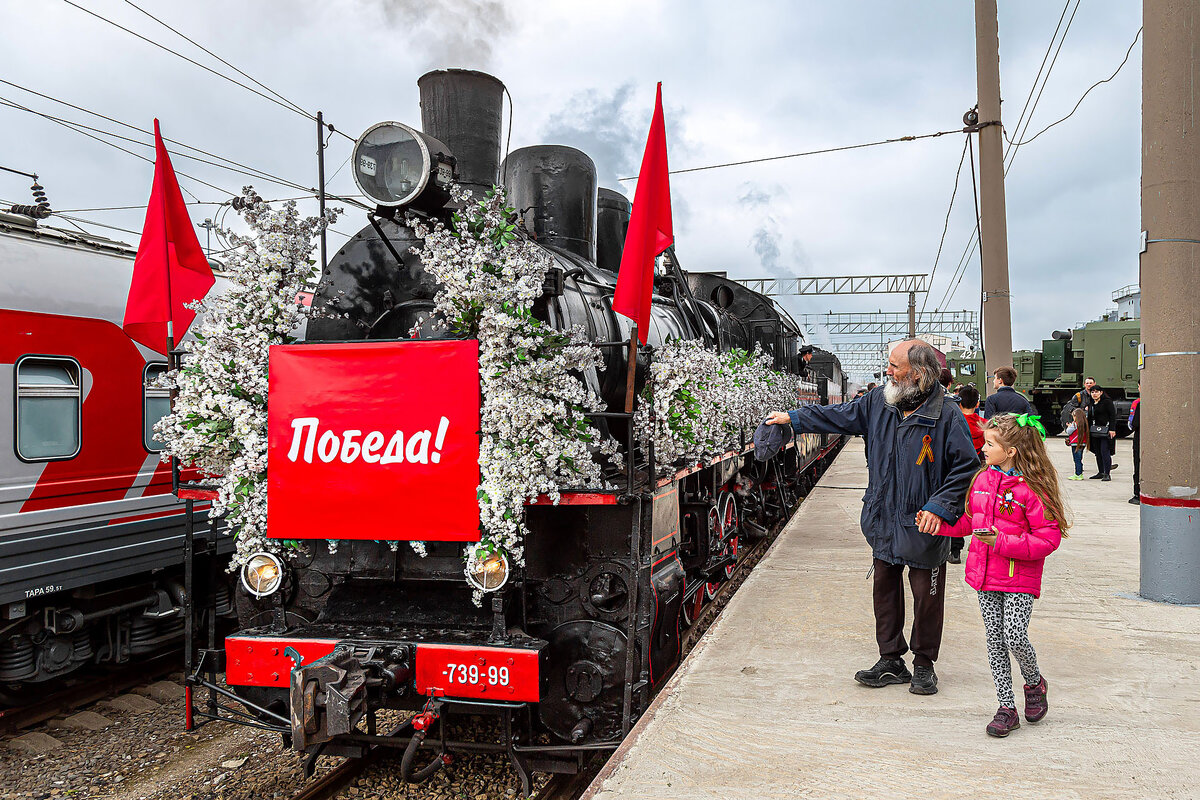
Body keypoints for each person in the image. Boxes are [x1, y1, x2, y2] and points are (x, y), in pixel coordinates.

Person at [764, 339, 978, 695]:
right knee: (885, 591)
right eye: (889, 365)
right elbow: (839, 415)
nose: (888, 372)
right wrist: (795, 419)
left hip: (924, 521)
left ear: (920, 374)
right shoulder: (879, 401)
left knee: (927, 596)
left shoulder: (947, 414)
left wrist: (940, 508)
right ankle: (891, 659)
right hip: (883, 517)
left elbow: (965, 468)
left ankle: (924, 664)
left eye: (895, 367)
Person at [936, 413, 1068, 737]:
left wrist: (1004, 542)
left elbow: (1048, 537)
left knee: (1014, 635)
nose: (983, 447)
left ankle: (1035, 683)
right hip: (985, 575)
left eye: (990, 443)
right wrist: (938, 524)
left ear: (1010, 451)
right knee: (994, 639)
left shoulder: (1033, 489)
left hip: (1019, 577)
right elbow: (970, 521)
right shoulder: (982, 480)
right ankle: (1006, 707)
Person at [1086, 385, 1117, 480]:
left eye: (1096, 392)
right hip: (1094, 431)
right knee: (1098, 452)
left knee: (1105, 451)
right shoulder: (1091, 403)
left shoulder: (1107, 402)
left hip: (1106, 431)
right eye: (1092, 392)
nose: (1094, 394)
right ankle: (1100, 472)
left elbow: (1113, 416)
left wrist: (1112, 429)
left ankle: (1107, 474)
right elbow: (1090, 418)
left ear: (1101, 392)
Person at [1064, 406, 1089, 480]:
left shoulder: (1075, 424)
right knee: (1079, 458)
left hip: (1075, 444)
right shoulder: (1084, 424)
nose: (1073, 418)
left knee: (1076, 459)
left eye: (1074, 416)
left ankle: (1078, 474)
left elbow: (1069, 431)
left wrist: (1069, 426)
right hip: (1083, 443)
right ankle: (1079, 473)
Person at [1129, 385, 1141, 504]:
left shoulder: (1139, 404)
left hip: (1140, 439)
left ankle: (1137, 494)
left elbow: (1134, 424)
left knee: (1138, 465)